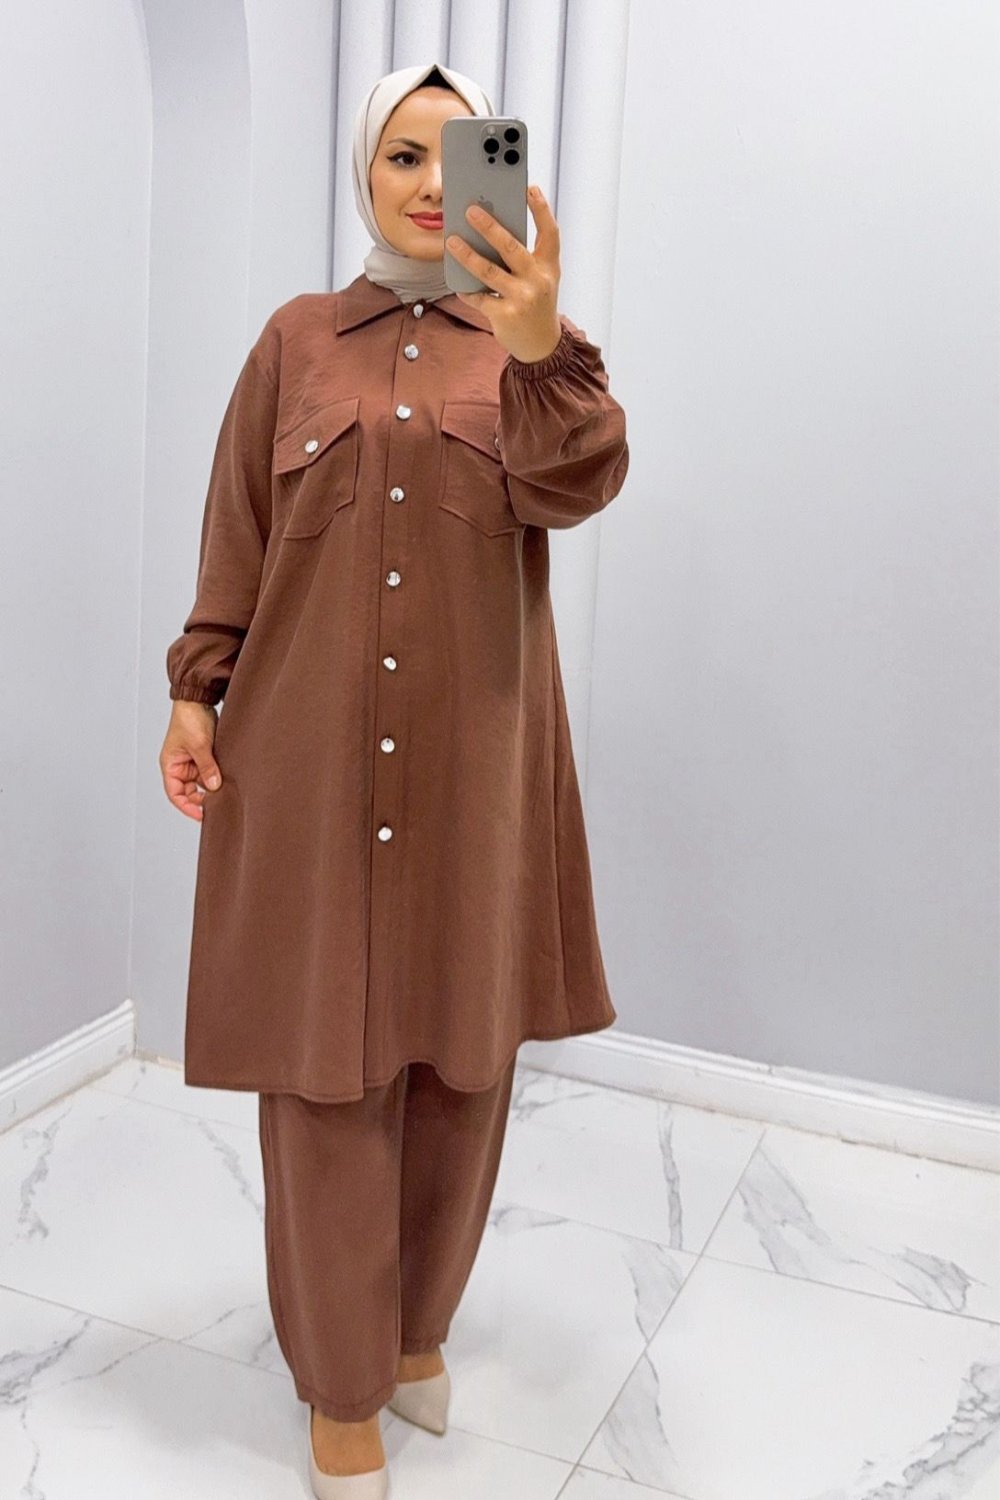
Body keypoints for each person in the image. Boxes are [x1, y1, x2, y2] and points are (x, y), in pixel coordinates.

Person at [159, 60, 629, 1499]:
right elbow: (240, 525)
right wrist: (195, 688)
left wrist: (540, 348)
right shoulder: (296, 341)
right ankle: (342, 1382)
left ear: (498, 171)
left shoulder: (533, 347)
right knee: (325, 1072)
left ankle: (417, 1331)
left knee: (463, 1058)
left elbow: (583, 483)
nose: (432, 183)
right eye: (402, 156)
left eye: (458, 153)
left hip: (477, 768)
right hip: (305, 763)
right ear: (364, 175)